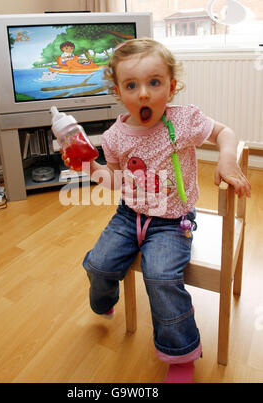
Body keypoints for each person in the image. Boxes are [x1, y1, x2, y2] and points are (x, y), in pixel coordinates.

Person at [62, 38, 251, 383]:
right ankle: (104, 300)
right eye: (132, 85)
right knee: (99, 264)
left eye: (154, 82)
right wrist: (87, 166)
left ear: (171, 86)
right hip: (128, 215)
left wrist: (226, 158)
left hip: (173, 221)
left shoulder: (184, 120)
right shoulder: (115, 135)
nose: (144, 94)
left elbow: (226, 133)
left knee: (161, 276)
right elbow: (114, 179)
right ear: (119, 92)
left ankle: (180, 355)